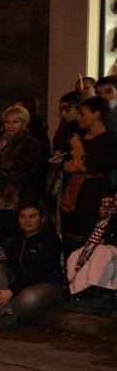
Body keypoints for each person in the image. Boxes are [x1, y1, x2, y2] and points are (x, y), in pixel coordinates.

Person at [0, 203, 63, 329]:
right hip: (20, 283)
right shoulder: (15, 238)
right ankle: (7, 314)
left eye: (32, 216)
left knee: (29, 298)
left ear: (42, 219)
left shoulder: (51, 239)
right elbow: (10, 263)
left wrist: (12, 290)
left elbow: (42, 270)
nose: (27, 221)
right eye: (23, 216)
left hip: (45, 283)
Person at [62, 96, 117, 255]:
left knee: (88, 235)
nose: (79, 117)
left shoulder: (109, 139)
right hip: (73, 190)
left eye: (83, 114)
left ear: (97, 114)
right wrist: (77, 164)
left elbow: (89, 167)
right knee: (69, 235)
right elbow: (67, 165)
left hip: (93, 193)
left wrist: (78, 150)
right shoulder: (78, 135)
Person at [0, 106, 42, 247]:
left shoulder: (29, 142)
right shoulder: (0, 139)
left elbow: (21, 170)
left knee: (15, 235)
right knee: (2, 234)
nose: (10, 126)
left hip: (15, 196)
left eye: (15, 122)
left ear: (23, 123)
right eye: (7, 122)